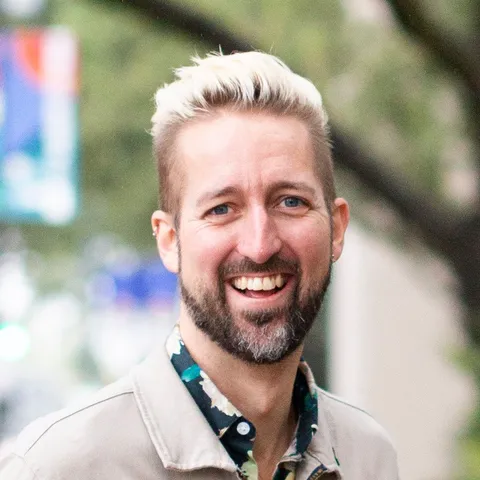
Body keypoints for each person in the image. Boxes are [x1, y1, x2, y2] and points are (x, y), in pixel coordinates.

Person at [0, 51, 399, 479]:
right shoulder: (58, 468)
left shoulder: (368, 457)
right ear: (170, 241)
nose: (260, 244)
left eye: (290, 201)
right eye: (222, 208)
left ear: (336, 228)